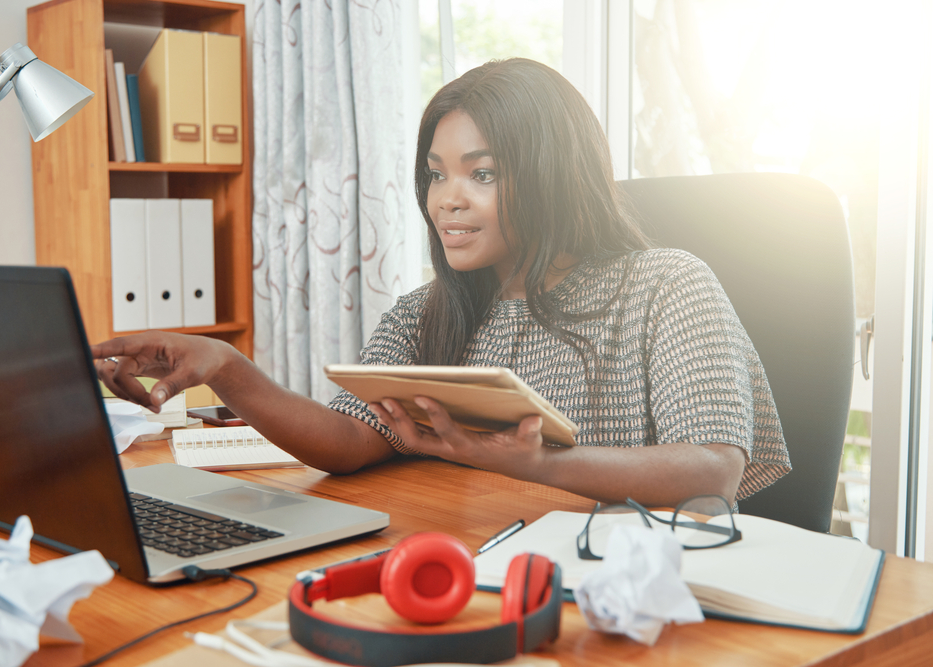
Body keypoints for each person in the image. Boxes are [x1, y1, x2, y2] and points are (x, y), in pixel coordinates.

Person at [94, 58, 790, 508]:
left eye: (480, 174)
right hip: (482, 567)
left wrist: (538, 464)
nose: (445, 199)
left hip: (626, 591)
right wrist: (229, 367)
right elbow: (348, 439)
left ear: (552, 176)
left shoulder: (667, 286)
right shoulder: (431, 311)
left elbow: (712, 468)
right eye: (436, 172)